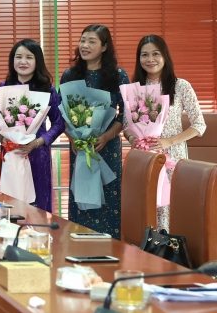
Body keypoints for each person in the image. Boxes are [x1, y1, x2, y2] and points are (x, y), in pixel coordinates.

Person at [124, 34, 207, 231]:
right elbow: (127, 125)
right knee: (145, 207)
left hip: (173, 157)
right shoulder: (135, 89)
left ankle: (168, 247)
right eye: (144, 55)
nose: (150, 59)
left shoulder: (181, 86)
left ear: (165, 56)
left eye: (155, 54)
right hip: (144, 158)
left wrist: (168, 142)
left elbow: (199, 125)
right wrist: (134, 139)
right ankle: (146, 247)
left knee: (169, 208)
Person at [61, 24, 129, 239]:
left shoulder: (118, 75)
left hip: (107, 147)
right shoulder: (70, 75)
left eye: (92, 41)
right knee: (82, 195)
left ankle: (111, 248)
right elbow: (61, 112)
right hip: (81, 148)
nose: (85, 45)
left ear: (104, 47)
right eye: (82, 40)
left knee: (109, 197)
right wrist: (74, 138)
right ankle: (79, 246)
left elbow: (126, 114)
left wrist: (107, 136)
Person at [0, 40, 65, 213]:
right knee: (10, 205)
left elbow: (59, 123)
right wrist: (2, 138)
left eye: (29, 57)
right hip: (11, 153)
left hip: (37, 154)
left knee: (38, 207)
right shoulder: (3, 88)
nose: (23, 61)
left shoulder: (48, 90)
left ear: (37, 61)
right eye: (18, 57)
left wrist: (37, 142)